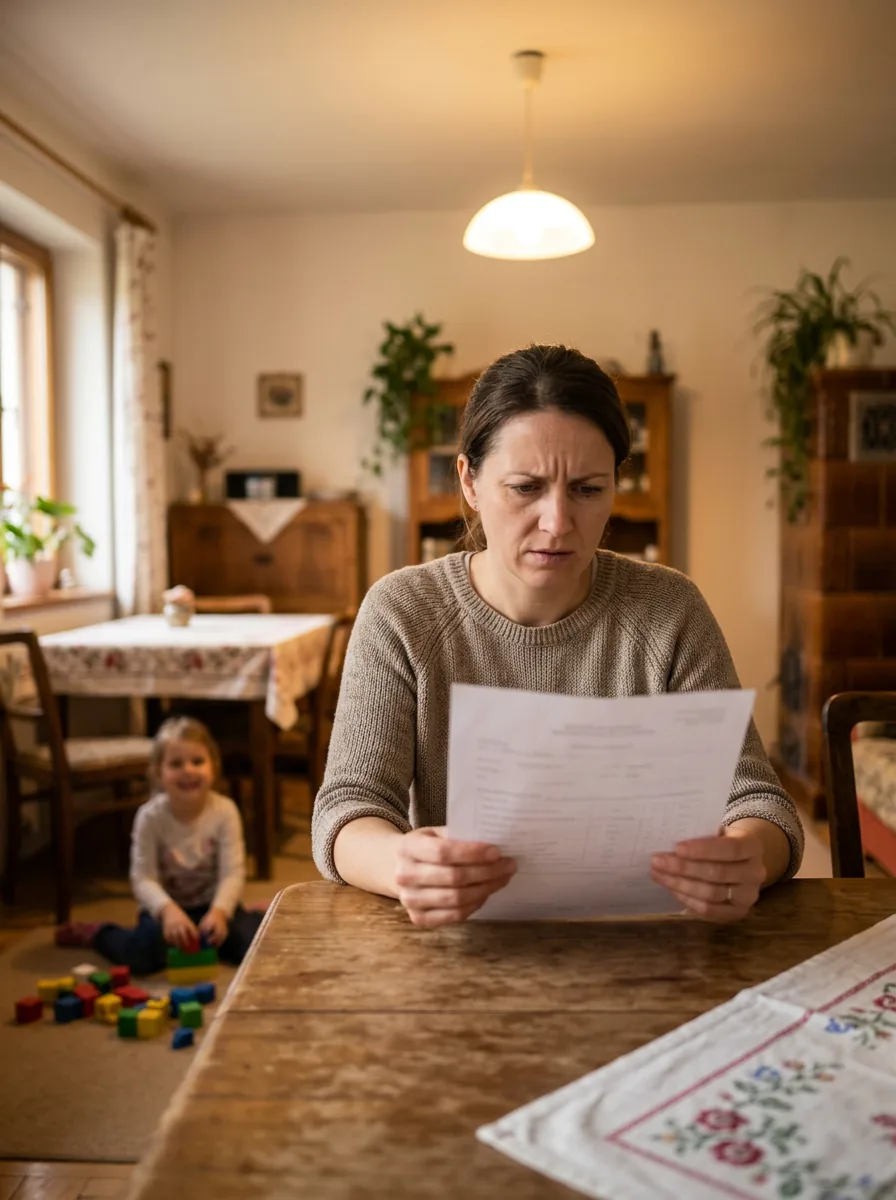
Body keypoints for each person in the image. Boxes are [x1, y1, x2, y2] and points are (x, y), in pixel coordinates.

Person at [312, 344, 804, 928]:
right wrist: (403, 864)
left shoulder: (669, 610)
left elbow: (758, 799)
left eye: (588, 490)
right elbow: (349, 808)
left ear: (617, 485)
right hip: (463, 942)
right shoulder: (403, 612)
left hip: (642, 943)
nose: (557, 523)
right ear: (469, 481)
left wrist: (750, 855)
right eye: (525, 488)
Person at [56, 716, 264, 974]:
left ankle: (257, 915)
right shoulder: (149, 817)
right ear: (158, 773)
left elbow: (232, 873)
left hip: (212, 906)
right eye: (176, 764)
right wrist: (167, 912)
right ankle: (98, 933)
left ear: (214, 766)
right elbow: (143, 878)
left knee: (253, 946)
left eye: (197, 761)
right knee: (140, 955)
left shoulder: (226, 811)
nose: (188, 770)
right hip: (164, 909)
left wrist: (221, 911)